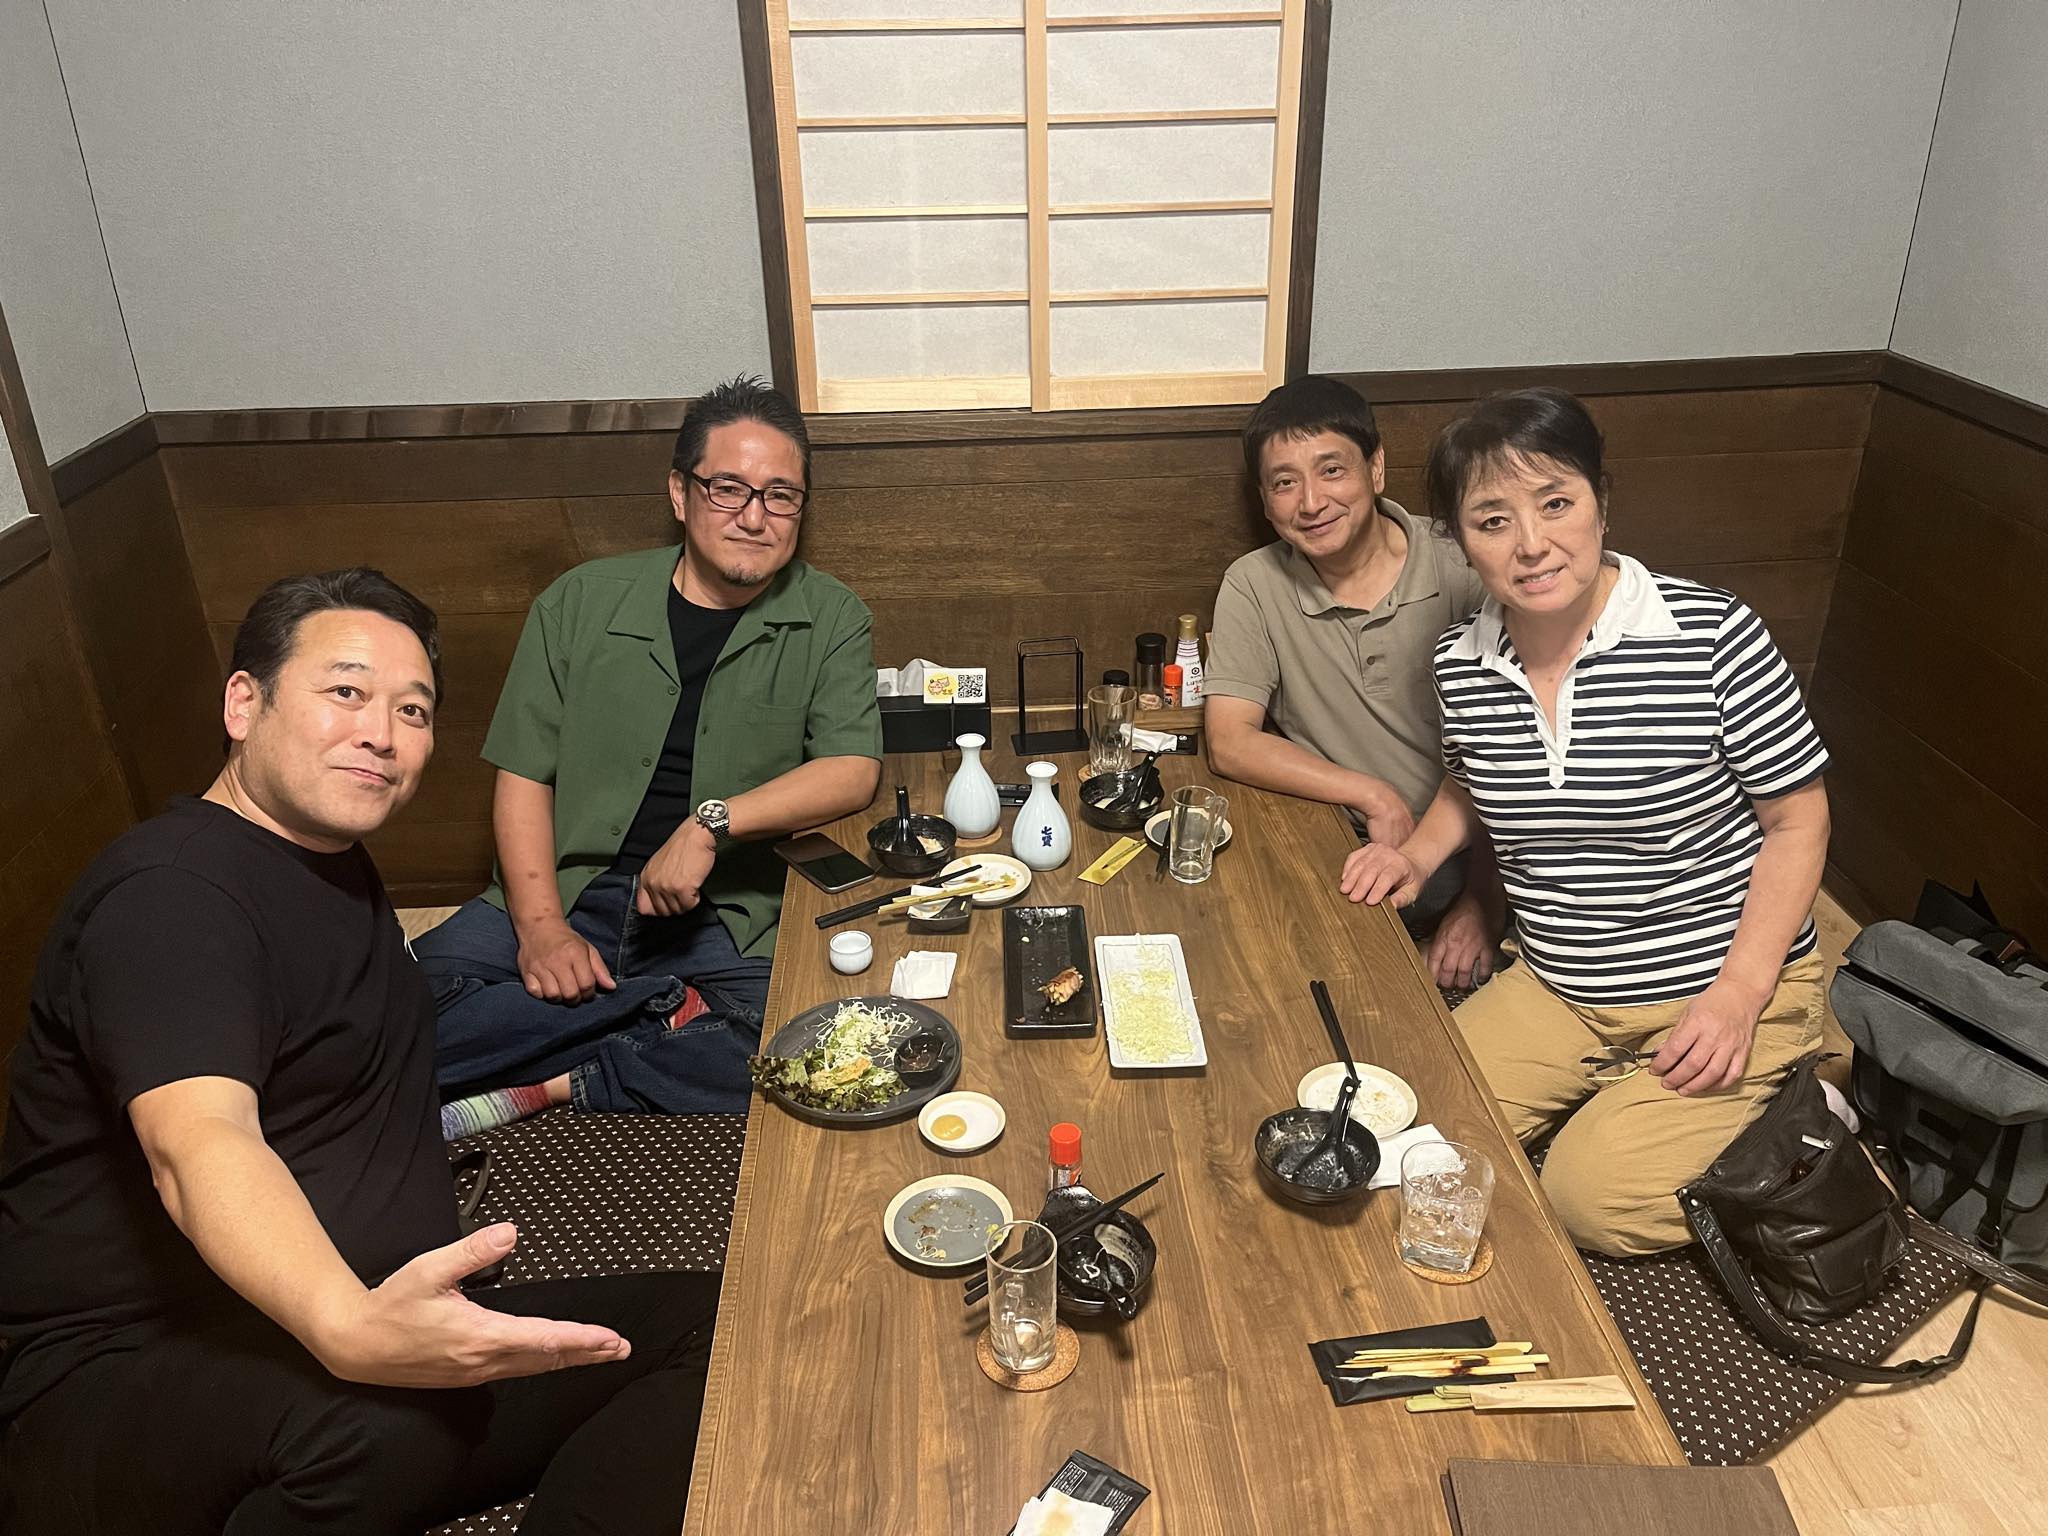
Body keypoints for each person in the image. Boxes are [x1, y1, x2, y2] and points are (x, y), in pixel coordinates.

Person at [0, 569, 719, 1535]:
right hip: (122, 1372)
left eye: (411, 709)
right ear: (244, 704)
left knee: (711, 1330)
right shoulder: (173, 896)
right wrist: (349, 1325)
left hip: (349, 1317)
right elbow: (198, 1139)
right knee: (386, 1429)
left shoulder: (324, 859)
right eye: (346, 691)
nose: (381, 732)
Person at [1345, 388, 1831, 1256]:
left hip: (1721, 981)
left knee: (1587, 1201)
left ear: (1602, 501)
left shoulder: (1712, 633)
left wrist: (1738, 996)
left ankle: (1808, 1099)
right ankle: (1630, 1093)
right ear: (1460, 541)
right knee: (1416, 1127)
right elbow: (1470, 783)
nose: (1531, 544)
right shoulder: (1462, 660)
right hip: (1560, 982)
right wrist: (1413, 859)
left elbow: (1799, 822)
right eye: (1493, 521)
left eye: (1556, 504)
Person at [415, 375, 883, 1132]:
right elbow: (523, 774)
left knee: (819, 1058)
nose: (754, 517)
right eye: (728, 489)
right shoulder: (579, 601)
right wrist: (541, 929)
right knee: (392, 1023)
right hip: (571, 888)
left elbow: (852, 769)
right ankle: (660, 1014)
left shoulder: (831, 616)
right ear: (680, 493)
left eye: (781, 496)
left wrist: (710, 824)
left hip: (723, 916)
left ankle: (568, 1079)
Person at [1204, 375, 1504, 989]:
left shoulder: (1463, 562)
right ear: (1265, 501)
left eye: (1332, 470)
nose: (1311, 502)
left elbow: (1518, 758)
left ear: (1377, 468)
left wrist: (1483, 905)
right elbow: (1230, 740)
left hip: (1474, 859)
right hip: (1345, 852)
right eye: (1285, 483)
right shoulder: (1254, 583)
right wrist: (1374, 794)